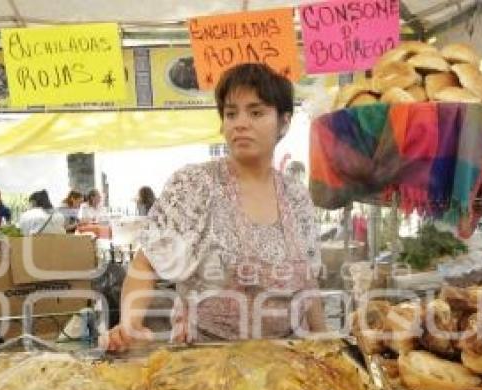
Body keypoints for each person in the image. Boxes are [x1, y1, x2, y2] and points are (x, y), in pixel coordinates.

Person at [104, 63, 325, 351]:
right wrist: (131, 322)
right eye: (231, 113)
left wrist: (325, 342)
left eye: (256, 112)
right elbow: (146, 263)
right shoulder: (195, 185)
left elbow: (307, 283)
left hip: (284, 358)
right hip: (205, 358)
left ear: (284, 122)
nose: (240, 123)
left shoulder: (296, 195)